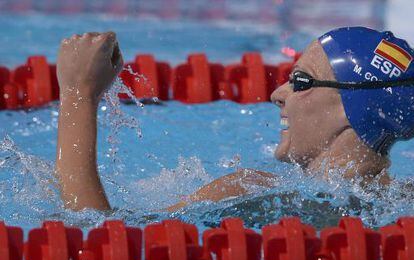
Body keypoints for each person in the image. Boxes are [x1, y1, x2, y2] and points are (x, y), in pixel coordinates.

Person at [55, 27, 414, 211]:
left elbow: (97, 234)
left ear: (352, 109)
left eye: (300, 81)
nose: (278, 94)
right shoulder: (402, 202)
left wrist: (78, 96)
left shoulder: (251, 190)